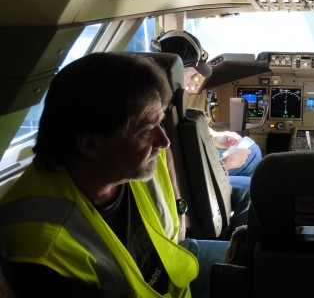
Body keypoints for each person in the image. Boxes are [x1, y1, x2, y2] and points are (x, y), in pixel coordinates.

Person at [0, 53, 229, 297]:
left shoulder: (133, 160)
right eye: (148, 130)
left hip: (175, 267)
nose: (163, 141)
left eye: (159, 123)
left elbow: (173, 212)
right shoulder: (45, 246)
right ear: (91, 146)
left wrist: (180, 213)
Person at [152, 29, 263, 190]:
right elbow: (176, 178)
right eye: (190, 75)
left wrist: (215, 138)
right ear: (174, 72)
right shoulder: (156, 112)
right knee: (251, 189)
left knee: (252, 151)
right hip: (190, 188)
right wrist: (226, 164)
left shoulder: (163, 99)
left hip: (191, 167)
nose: (190, 83)